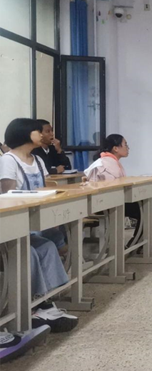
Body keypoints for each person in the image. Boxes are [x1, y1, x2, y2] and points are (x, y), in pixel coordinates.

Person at [0, 118, 78, 333]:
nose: (43, 135)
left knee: (47, 246)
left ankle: (45, 303)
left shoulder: (37, 160)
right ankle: (31, 308)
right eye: (38, 131)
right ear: (25, 133)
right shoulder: (8, 160)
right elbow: (7, 195)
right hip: (13, 223)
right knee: (30, 252)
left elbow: (43, 189)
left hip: (33, 219)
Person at [84, 134, 141, 246]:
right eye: (125, 145)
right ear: (115, 148)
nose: (128, 148)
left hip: (111, 200)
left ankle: (138, 243)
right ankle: (137, 244)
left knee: (144, 205)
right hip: (103, 203)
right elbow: (111, 189)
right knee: (143, 208)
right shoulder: (105, 164)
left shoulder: (111, 161)